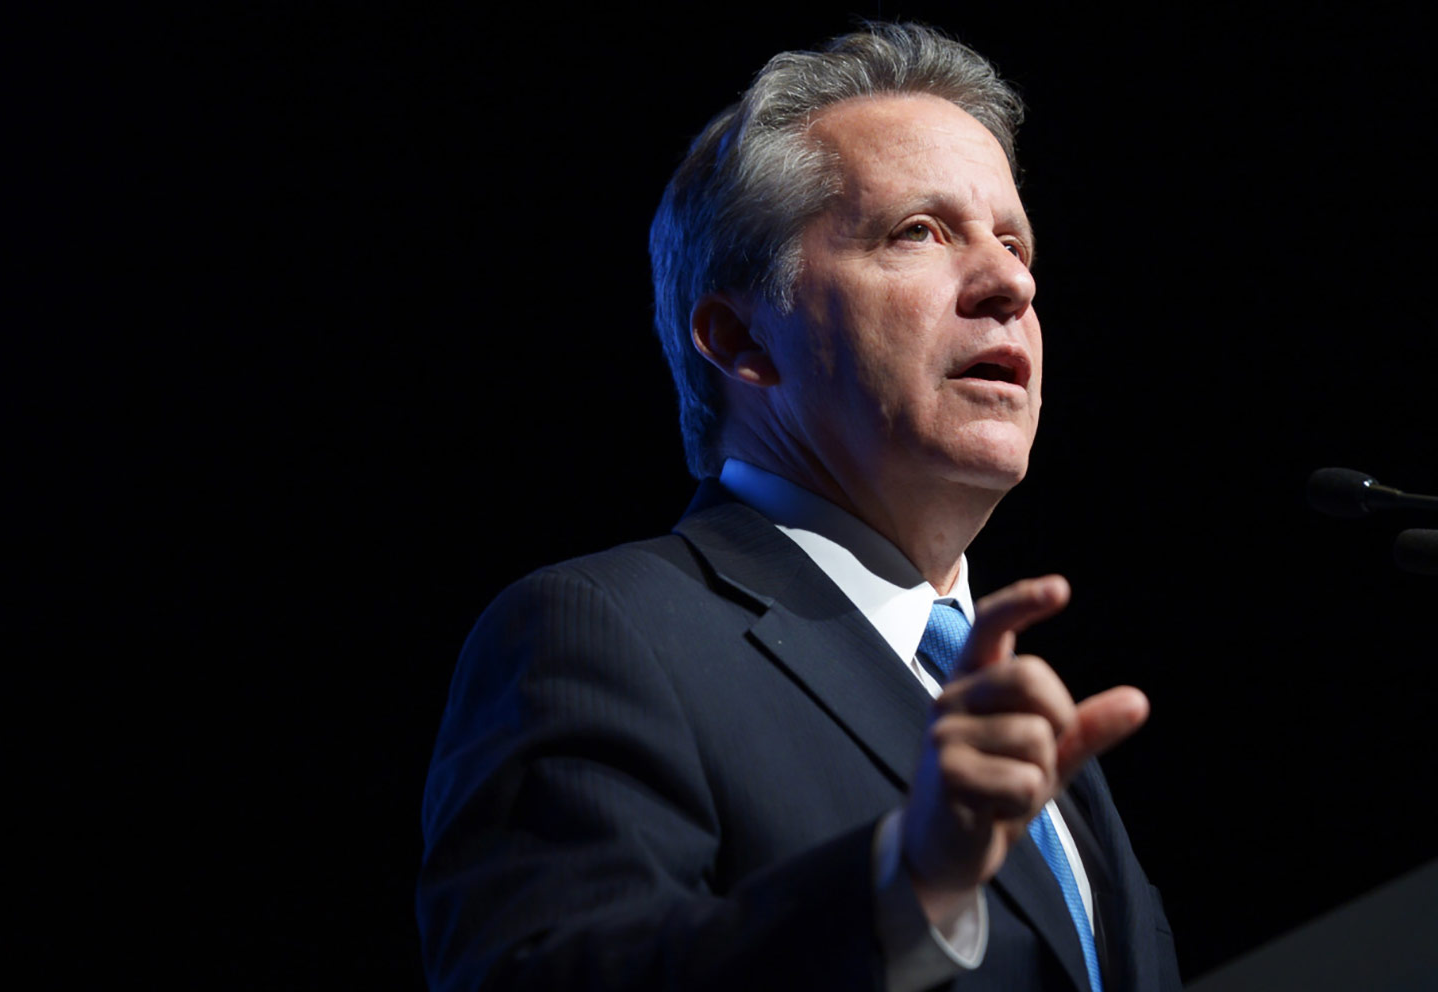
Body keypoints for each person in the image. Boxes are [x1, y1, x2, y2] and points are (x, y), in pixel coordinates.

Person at [418, 22, 1180, 991]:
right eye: (920, 231)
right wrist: (902, 886)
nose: (1011, 282)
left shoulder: (1031, 731)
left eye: (1014, 240)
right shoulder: (601, 632)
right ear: (742, 337)